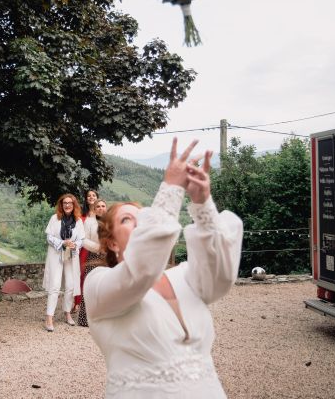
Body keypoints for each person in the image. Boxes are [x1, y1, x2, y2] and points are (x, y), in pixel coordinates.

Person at [84, 139, 243, 398]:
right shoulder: (98, 284)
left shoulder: (183, 275)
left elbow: (221, 278)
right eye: (127, 219)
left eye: (143, 217)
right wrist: (171, 188)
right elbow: (142, 268)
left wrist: (202, 204)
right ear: (112, 242)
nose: (140, 223)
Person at [42, 193, 85, 332]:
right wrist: (62, 243)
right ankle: (49, 317)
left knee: (70, 285)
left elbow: (82, 239)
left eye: (70, 203)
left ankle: (67, 313)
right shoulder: (55, 218)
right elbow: (49, 237)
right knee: (54, 285)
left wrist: (74, 244)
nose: (67, 205)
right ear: (61, 205)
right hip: (56, 254)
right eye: (65, 203)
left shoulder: (78, 221)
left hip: (71, 255)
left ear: (74, 205)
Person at [77, 198, 107, 327]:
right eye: (98, 206)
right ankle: (85, 320)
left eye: (103, 206)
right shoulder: (89, 222)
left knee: (106, 286)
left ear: (106, 208)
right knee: (91, 286)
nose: (101, 208)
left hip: (108, 257)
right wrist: (98, 248)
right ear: (94, 209)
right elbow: (83, 240)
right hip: (94, 257)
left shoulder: (111, 222)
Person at [73, 189, 99, 313]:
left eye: (93, 195)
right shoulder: (81, 215)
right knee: (81, 274)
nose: (91, 197)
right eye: (89, 196)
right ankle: (77, 302)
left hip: (99, 249)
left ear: (97, 197)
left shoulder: (101, 213)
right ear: (86, 199)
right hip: (84, 248)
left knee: (96, 276)